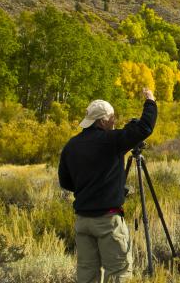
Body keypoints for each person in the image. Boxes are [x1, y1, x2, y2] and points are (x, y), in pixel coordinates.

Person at [58, 88, 157, 283]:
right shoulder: (110, 141)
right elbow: (145, 127)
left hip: (83, 221)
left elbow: (65, 182)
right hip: (107, 220)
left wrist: (89, 189)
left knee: (87, 273)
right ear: (102, 121)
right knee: (119, 271)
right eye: (112, 118)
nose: (114, 121)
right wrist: (150, 101)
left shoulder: (71, 145)